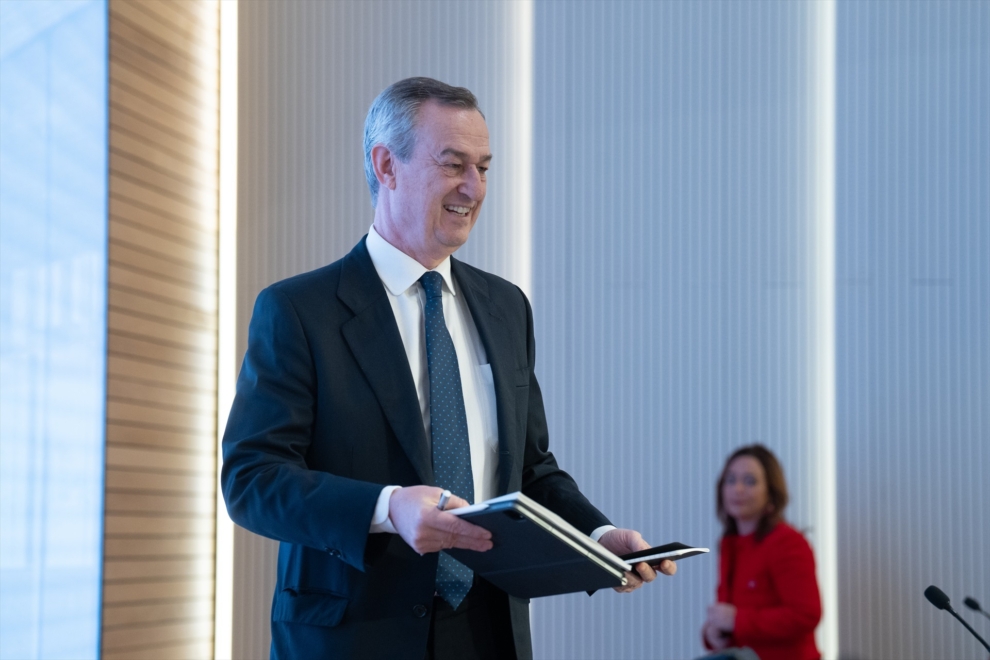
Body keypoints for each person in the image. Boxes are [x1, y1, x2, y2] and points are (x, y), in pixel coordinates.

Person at [221, 77, 676, 660]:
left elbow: (531, 469)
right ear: (387, 166)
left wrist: (596, 537)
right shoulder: (297, 310)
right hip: (355, 633)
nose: (474, 187)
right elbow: (252, 479)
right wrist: (385, 508)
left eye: (484, 167)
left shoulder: (506, 306)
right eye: (454, 164)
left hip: (489, 631)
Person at [701, 445, 822, 660]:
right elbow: (731, 618)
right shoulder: (729, 544)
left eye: (750, 481)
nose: (738, 489)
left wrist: (737, 621)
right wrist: (712, 634)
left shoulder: (788, 543)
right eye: (730, 480)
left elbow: (806, 615)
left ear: (771, 494)